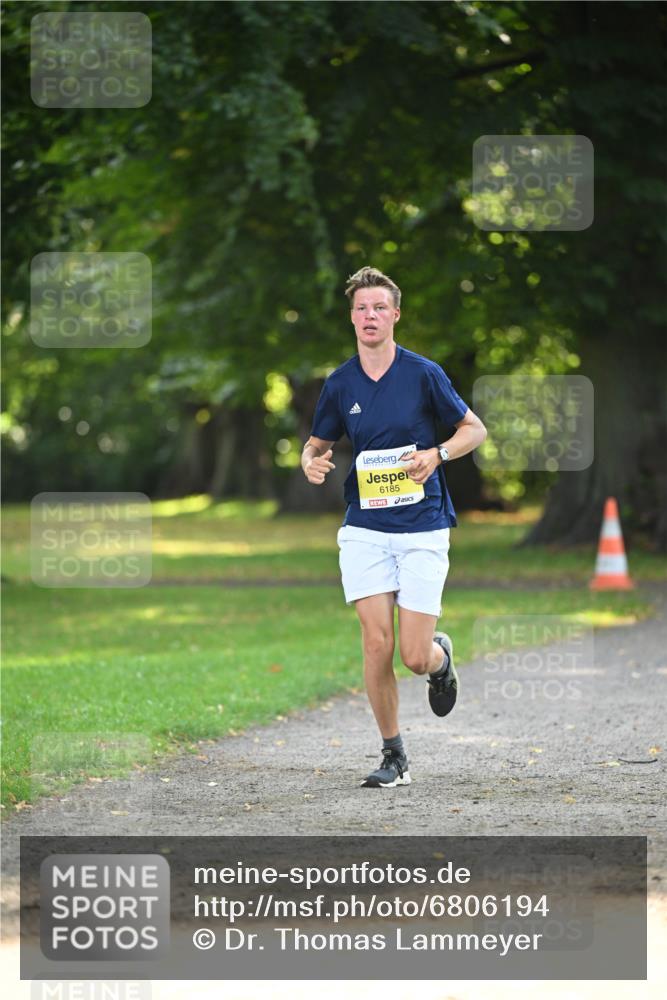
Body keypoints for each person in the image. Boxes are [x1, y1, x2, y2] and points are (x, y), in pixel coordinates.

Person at [301, 266, 487, 788]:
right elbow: (318, 444)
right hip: (364, 528)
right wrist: (308, 461)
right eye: (361, 308)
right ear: (352, 317)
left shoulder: (423, 373)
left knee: (411, 655)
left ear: (395, 315)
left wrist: (439, 453)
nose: (369, 316)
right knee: (375, 642)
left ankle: (440, 658)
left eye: (379, 307)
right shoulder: (340, 383)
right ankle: (394, 755)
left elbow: (474, 428)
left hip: (423, 526)